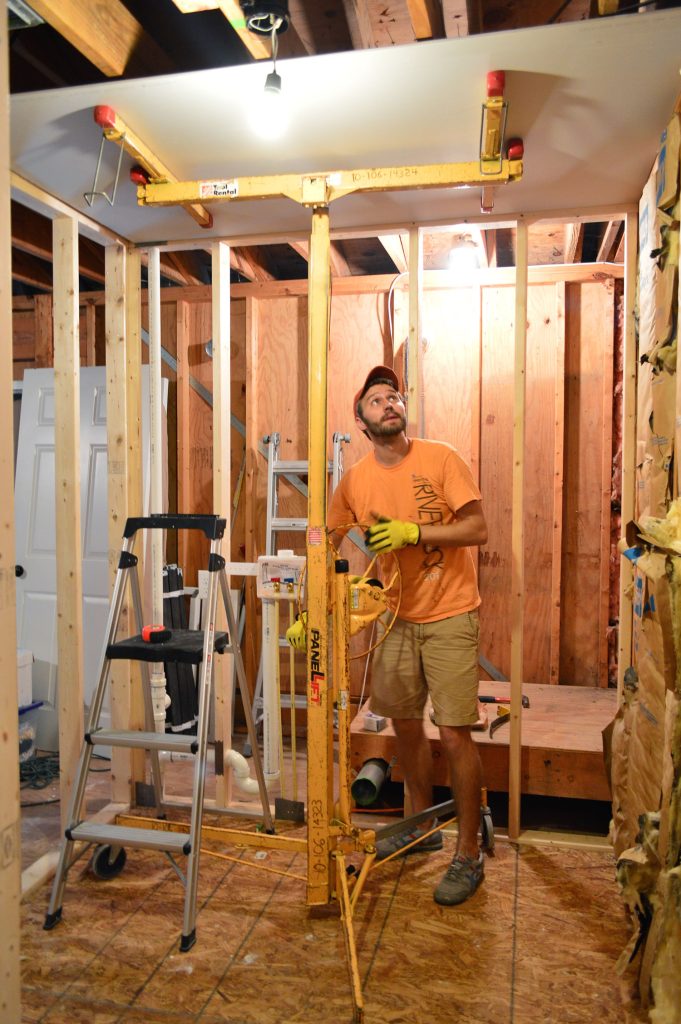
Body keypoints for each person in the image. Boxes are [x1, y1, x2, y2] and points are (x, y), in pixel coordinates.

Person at [328, 364, 488, 906]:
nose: (389, 403)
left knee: (455, 732)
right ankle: (422, 826)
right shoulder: (354, 481)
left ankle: (468, 855)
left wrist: (414, 531)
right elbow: (326, 544)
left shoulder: (441, 458)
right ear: (362, 421)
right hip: (394, 617)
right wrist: (313, 606)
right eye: (375, 400)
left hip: (449, 614)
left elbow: (477, 528)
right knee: (405, 727)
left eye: (393, 395)